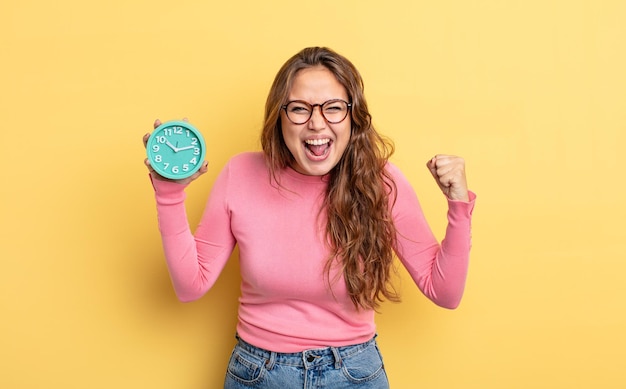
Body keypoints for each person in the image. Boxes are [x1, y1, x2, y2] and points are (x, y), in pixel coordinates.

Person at [143, 47, 475, 389]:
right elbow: (190, 285)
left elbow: (444, 292)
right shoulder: (239, 174)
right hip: (258, 374)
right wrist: (169, 193)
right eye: (300, 109)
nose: (317, 123)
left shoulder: (382, 182)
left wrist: (458, 204)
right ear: (280, 117)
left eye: (333, 108)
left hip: (354, 374)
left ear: (353, 117)